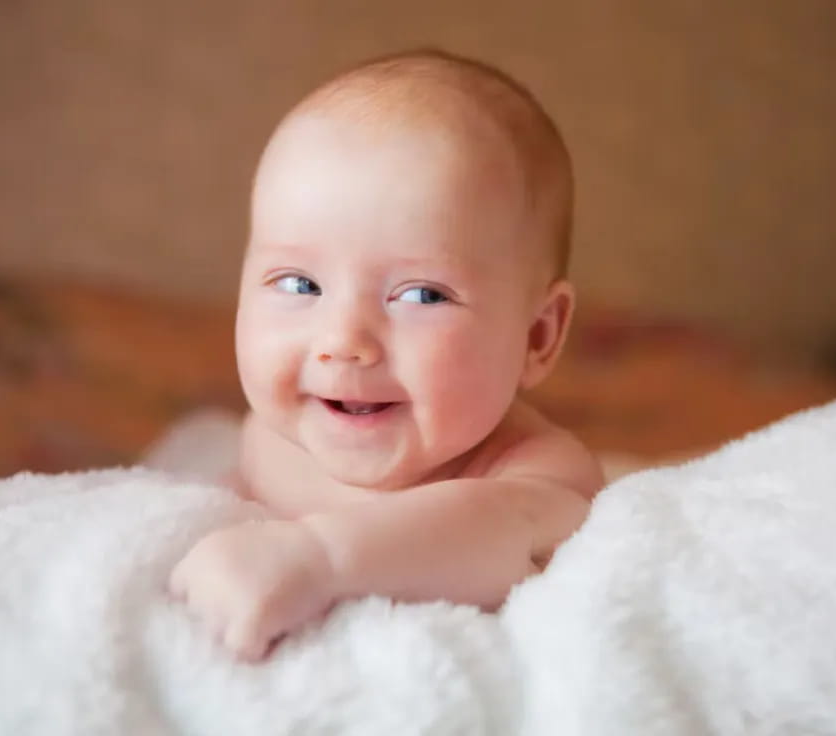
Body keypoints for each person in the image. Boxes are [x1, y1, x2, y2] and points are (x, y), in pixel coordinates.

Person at [168, 49, 603, 661]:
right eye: (299, 284)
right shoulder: (267, 439)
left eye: (422, 295)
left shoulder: (537, 478)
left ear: (538, 337)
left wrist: (320, 559)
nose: (343, 340)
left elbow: (500, 534)